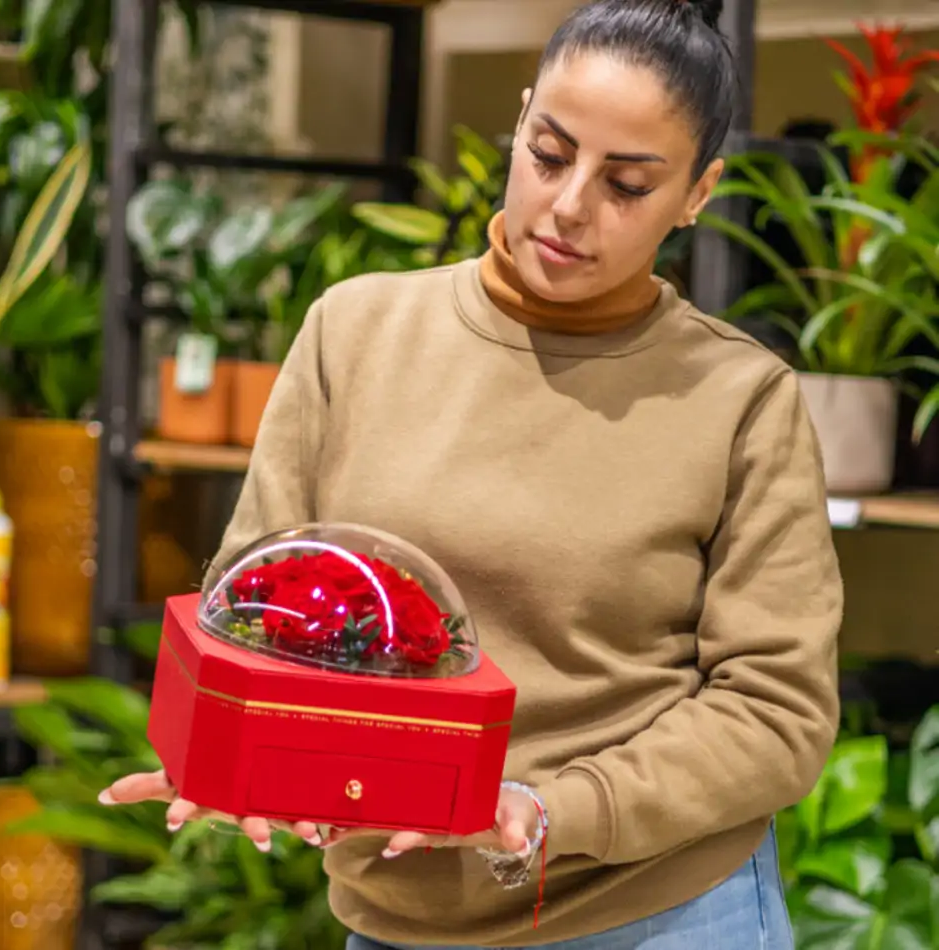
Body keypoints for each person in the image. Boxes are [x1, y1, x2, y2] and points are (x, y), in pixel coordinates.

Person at [99, 0, 843, 947]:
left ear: (699, 193)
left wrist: (545, 811)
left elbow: (775, 714)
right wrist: (235, 753)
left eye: (628, 184)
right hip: (398, 916)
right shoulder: (356, 330)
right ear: (523, 118)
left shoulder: (741, 398)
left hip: (655, 914)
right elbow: (255, 606)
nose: (571, 205)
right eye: (549, 152)